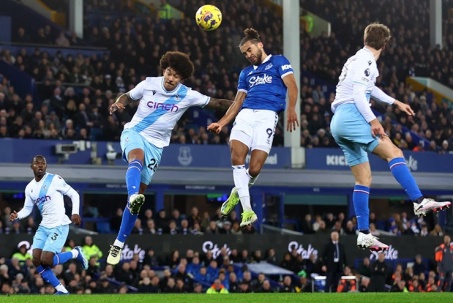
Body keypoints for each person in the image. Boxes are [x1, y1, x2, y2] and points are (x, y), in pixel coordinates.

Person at [329, 22, 451, 251]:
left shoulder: (356, 59)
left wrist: (395, 102)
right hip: (351, 114)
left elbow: (369, 89)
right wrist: (373, 121)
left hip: (338, 123)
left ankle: (364, 233)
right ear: (385, 45)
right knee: (394, 152)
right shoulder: (366, 61)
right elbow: (358, 94)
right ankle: (419, 201)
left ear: (366, 38)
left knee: (363, 178)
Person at [106, 51, 232, 265]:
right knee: (135, 159)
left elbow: (218, 103)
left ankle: (118, 243)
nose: (170, 78)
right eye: (168, 73)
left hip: (157, 146)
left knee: (136, 199)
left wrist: (244, 103)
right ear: (163, 70)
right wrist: (120, 103)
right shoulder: (148, 84)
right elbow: (127, 95)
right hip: (135, 133)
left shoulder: (187, 94)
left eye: (176, 76)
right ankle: (132, 195)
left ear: (182, 79)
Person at [207, 28, 299, 227]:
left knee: (255, 169)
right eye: (245, 53)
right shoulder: (246, 73)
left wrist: (291, 109)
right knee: (236, 156)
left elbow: (292, 86)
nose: (248, 55)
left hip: (268, 117)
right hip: (246, 115)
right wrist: (222, 123)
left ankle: (236, 192)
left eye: (249, 50)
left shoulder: (279, 62)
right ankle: (247, 211)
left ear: (260, 45)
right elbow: (238, 102)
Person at [9, 155, 88, 295]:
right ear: (31, 167)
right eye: (37, 163)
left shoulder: (55, 179)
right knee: (36, 260)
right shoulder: (30, 188)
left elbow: (74, 194)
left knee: (47, 260)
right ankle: (61, 290)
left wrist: (75, 212)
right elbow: (28, 208)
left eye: (43, 163)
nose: (40, 165)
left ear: (46, 166)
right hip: (44, 226)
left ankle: (76, 253)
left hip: (59, 225)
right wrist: (18, 215)